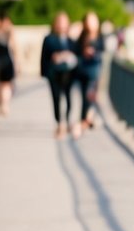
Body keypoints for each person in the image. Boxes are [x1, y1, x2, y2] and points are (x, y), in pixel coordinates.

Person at [40, 11, 79, 139]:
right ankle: (59, 123)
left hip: (69, 74)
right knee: (56, 99)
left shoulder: (71, 41)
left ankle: (66, 121)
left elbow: (77, 57)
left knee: (68, 98)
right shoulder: (49, 39)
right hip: (54, 74)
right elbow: (44, 57)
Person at [75, 11, 105, 130]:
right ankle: (84, 119)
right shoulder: (82, 36)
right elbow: (77, 51)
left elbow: (103, 51)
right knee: (84, 96)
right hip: (83, 70)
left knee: (91, 93)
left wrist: (94, 52)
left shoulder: (100, 37)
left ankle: (88, 117)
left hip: (95, 70)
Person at [0, 12, 18, 117]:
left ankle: (3, 104)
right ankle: (4, 105)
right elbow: (14, 47)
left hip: (4, 60)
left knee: (2, 85)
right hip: (5, 60)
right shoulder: (9, 31)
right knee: (5, 85)